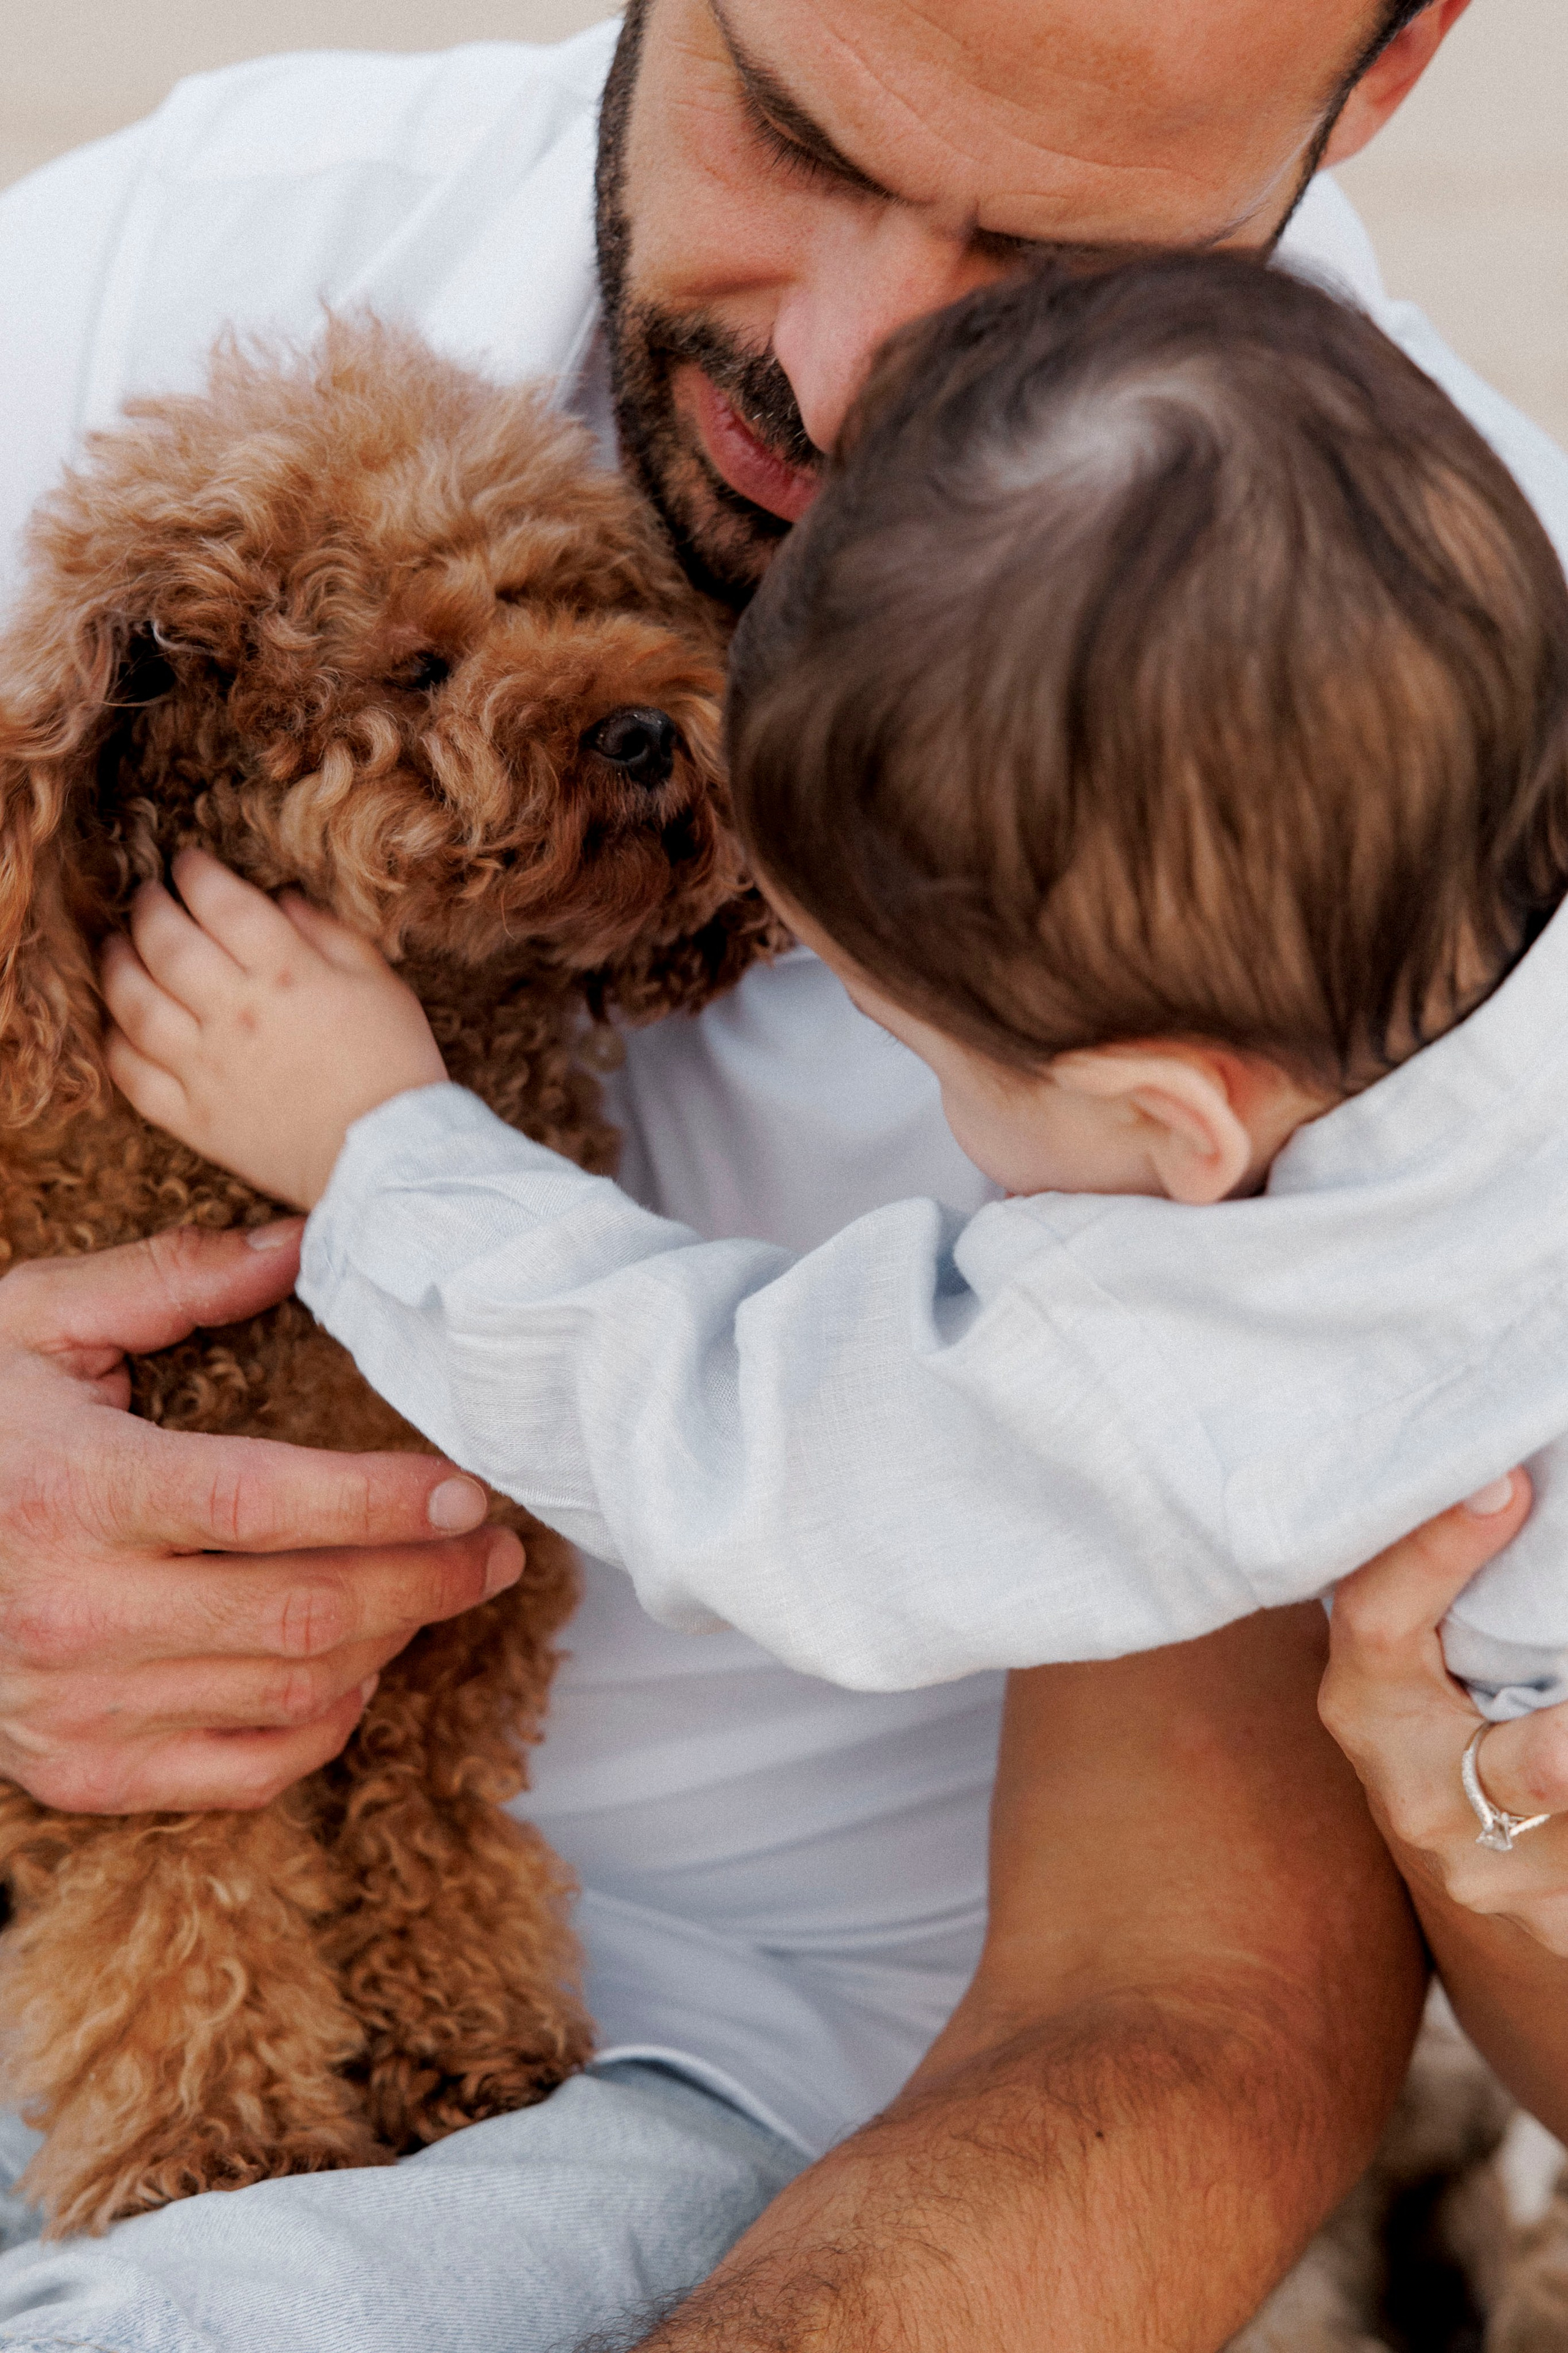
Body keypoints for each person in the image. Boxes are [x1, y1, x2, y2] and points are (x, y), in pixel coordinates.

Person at [0, 4, 1564, 2348]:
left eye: (1045, 256)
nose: (839, 381)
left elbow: (806, 1480)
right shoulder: (160, 270)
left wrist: (385, 1158)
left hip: (742, 2080)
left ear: (1400, 57)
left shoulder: (1412, 779)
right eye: (794, 135)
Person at [99, 247, 1568, 1720]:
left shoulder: (1227, 1344)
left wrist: (382, 1152)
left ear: (1177, 1121)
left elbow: (769, 1471)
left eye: (921, 1051)